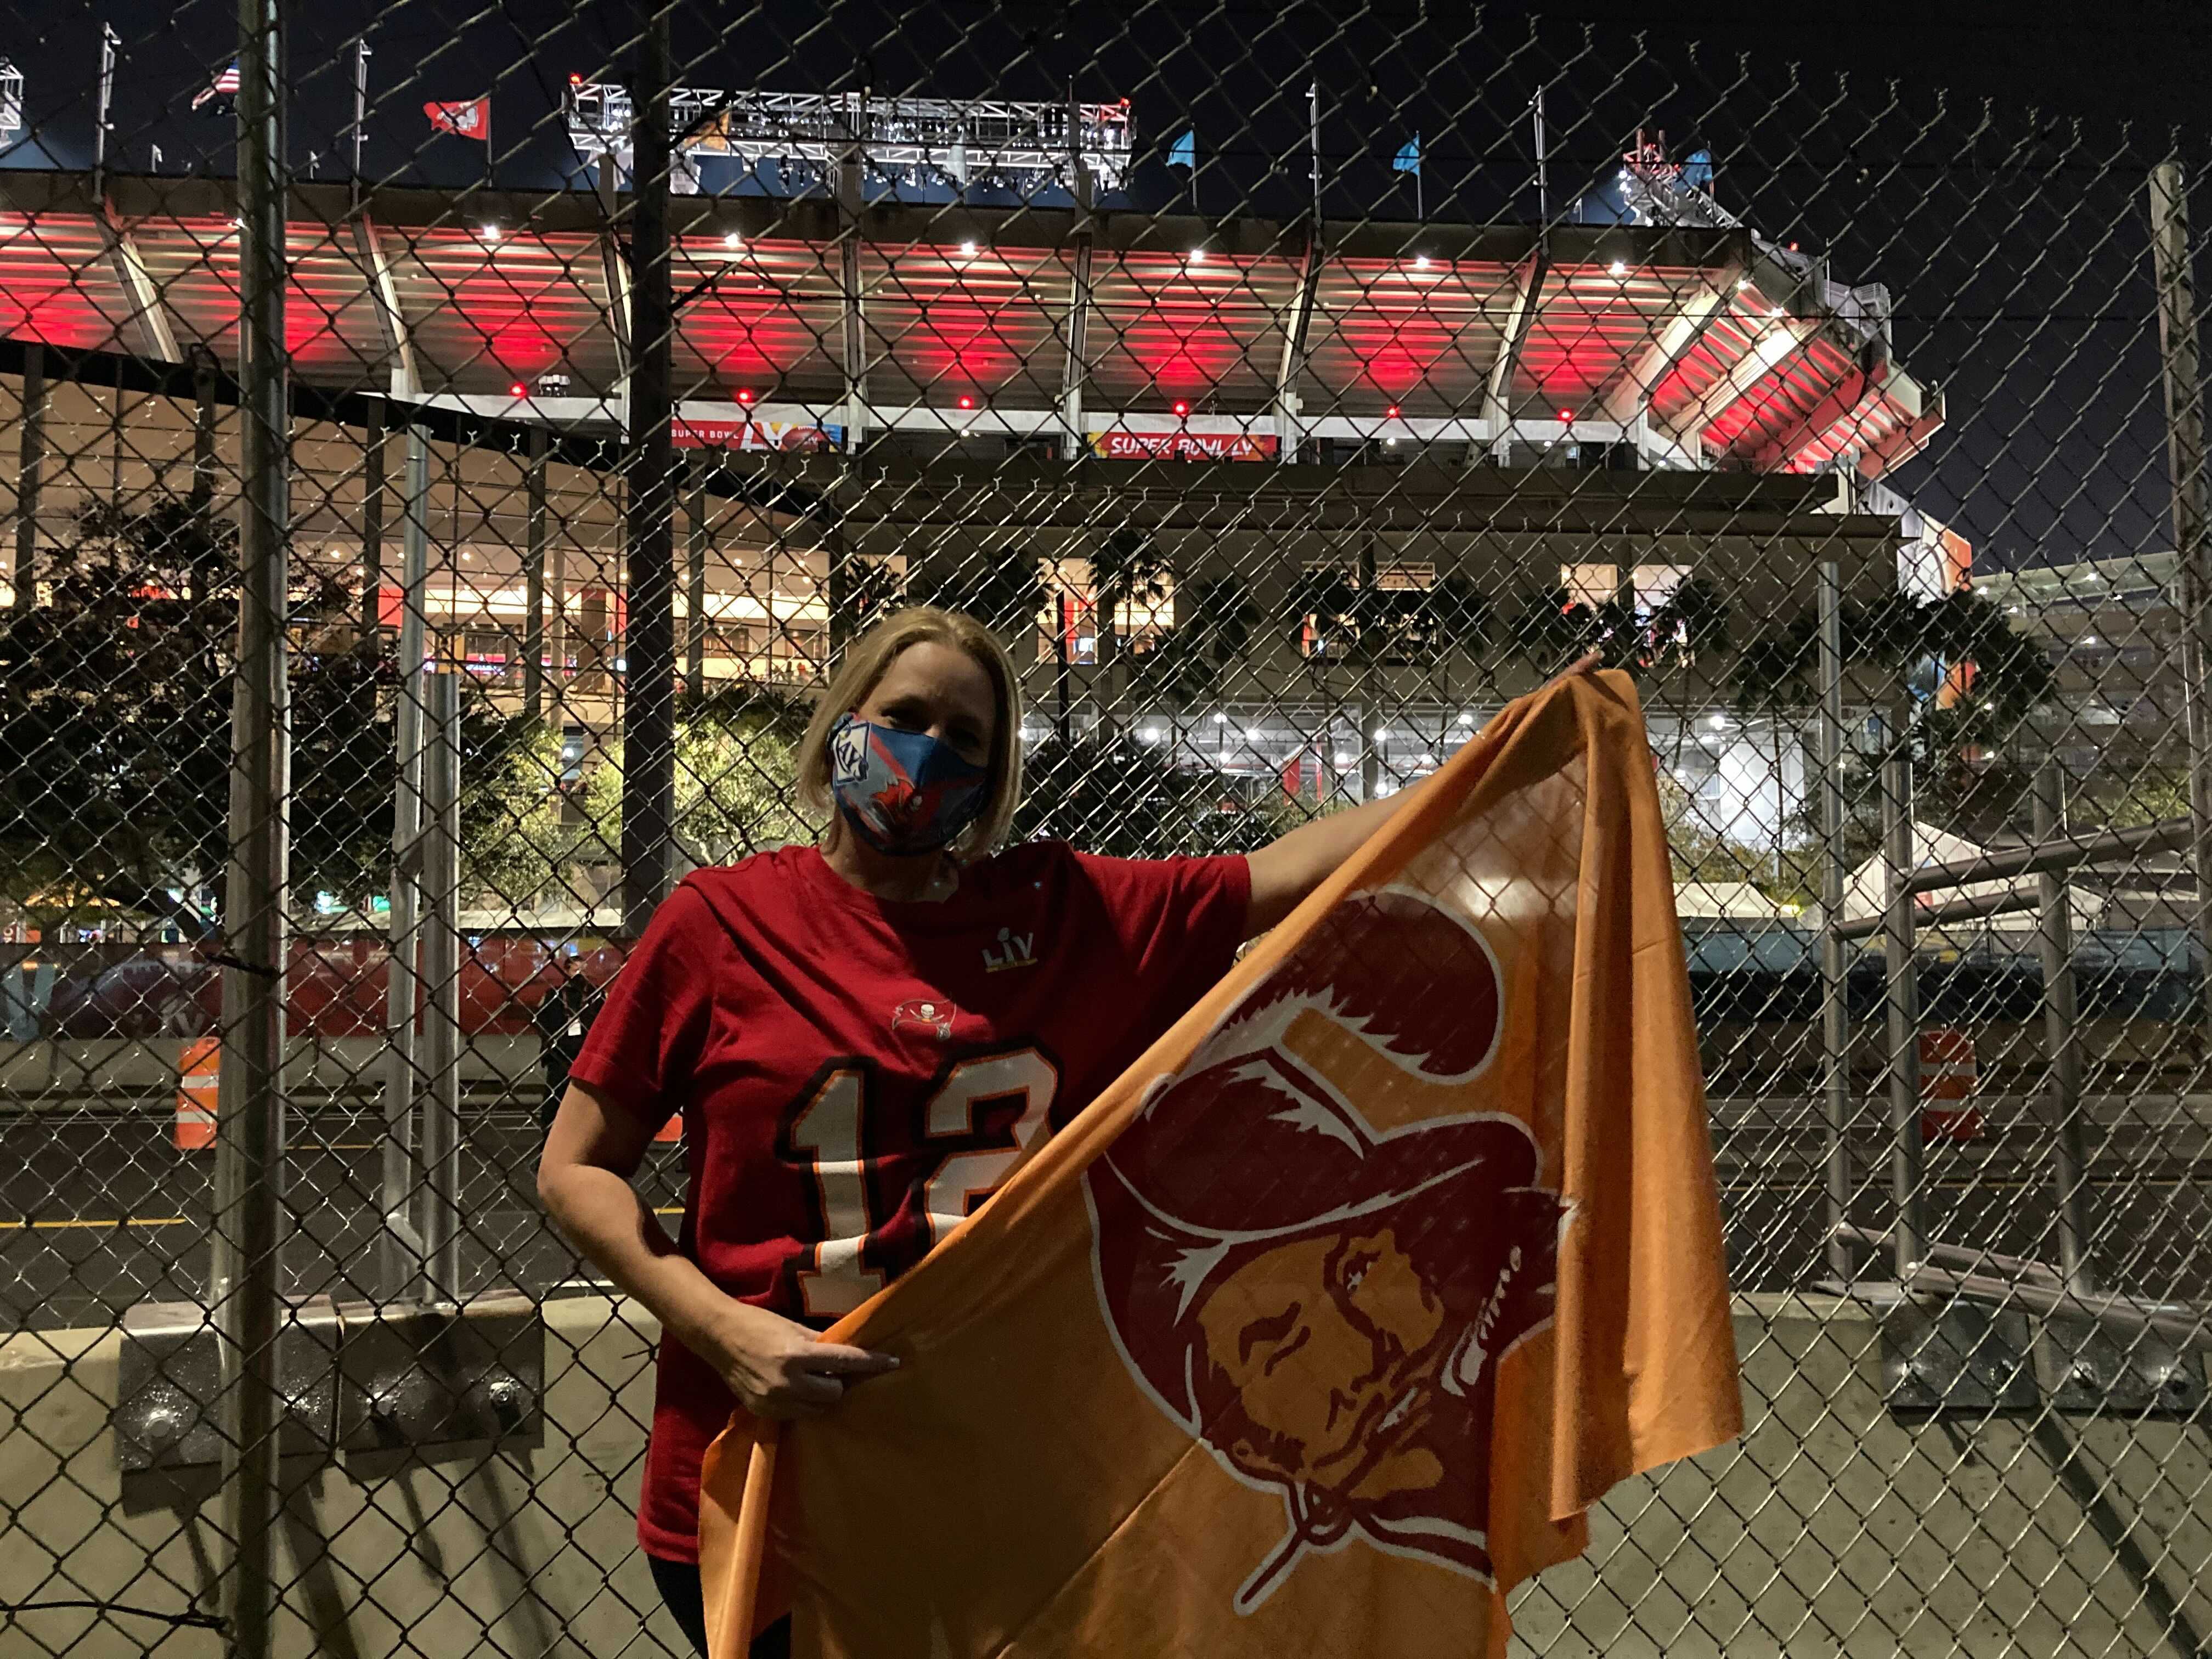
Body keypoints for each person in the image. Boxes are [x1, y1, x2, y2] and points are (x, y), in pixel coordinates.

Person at [535, 605, 1589, 1656]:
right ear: (842, 723)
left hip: (992, 1479)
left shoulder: (1060, 911)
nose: (926, 752)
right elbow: (575, 1170)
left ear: (993, 783)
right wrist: (724, 1331)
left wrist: (1506, 751)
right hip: (767, 1459)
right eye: (905, 716)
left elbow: (1281, 874)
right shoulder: (721, 923)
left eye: (965, 740)